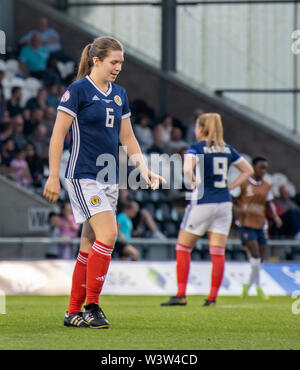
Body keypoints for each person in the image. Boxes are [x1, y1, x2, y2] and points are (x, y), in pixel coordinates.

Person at [43, 36, 165, 328]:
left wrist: (144, 169)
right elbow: (58, 134)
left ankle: (72, 312)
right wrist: (52, 174)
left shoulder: (119, 94)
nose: (118, 67)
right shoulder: (77, 91)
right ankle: (92, 305)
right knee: (108, 235)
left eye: (121, 63)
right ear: (96, 60)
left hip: (109, 178)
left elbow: (128, 138)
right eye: (114, 62)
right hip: (83, 175)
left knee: (88, 244)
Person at [161, 113, 254, 307]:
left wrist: (193, 182)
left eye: (197, 126)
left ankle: (181, 294)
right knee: (218, 251)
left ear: (201, 129)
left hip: (203, 202)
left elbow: (187, 170)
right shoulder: (227, 149)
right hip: (224, 203)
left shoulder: (196, 148)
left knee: (183, 247)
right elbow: (248, 170)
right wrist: (230, 186)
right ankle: (212, 298)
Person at [234, 156, 282, 300]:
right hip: (245, 223)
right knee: (254, 253)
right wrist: (237, 209)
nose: (263, 171)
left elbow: (270, 202)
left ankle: (247, 285)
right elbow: (231, 198)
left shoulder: (267, 185)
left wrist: (275, 216)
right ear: (253, 167)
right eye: (261, 167)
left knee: (259, 258)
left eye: (265, 168)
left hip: (260, 224)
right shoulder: (243, 182)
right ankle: (259, 286)